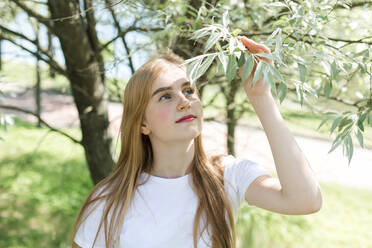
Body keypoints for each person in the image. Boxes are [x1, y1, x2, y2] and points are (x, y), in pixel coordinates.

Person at [71, 36, 323, 248]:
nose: (184, 101)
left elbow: (306, 200)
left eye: (189, 90)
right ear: (142, 124)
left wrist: (261, 97)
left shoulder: (228, 176)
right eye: (165, 96)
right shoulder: (109, 201)